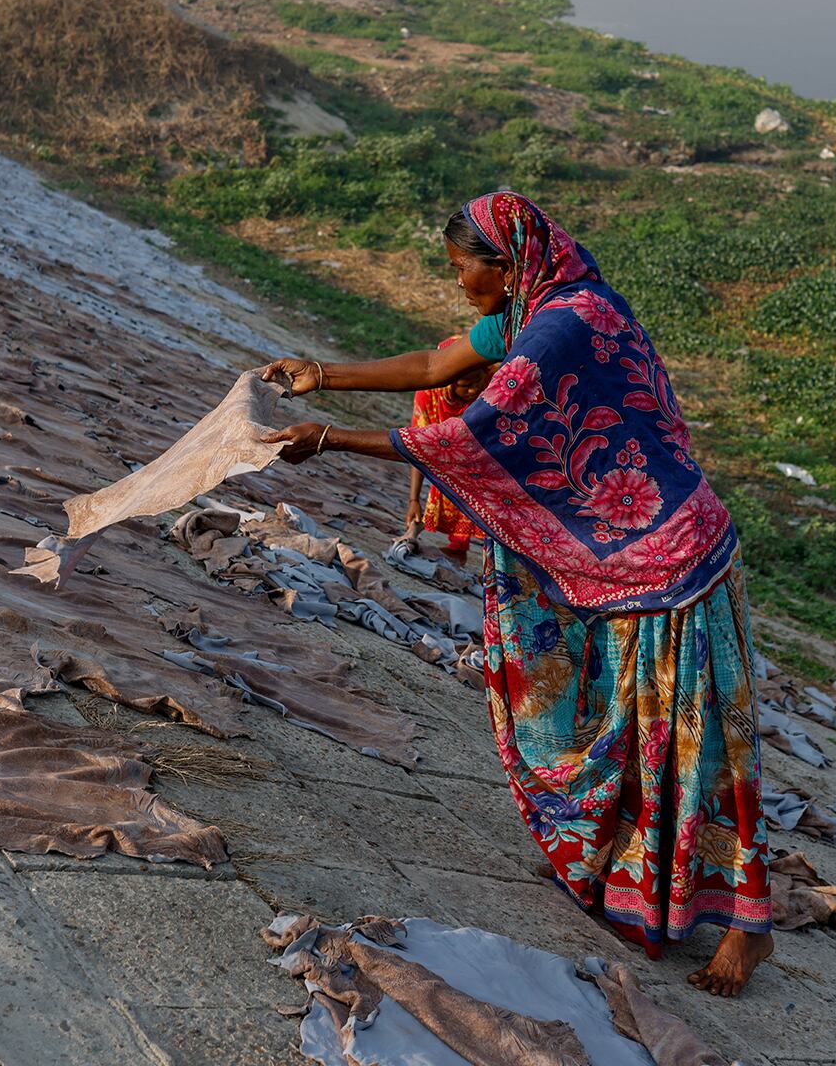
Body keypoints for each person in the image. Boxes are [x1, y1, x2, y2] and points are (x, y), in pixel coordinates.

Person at [259, 191, 773, 996]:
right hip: (615, 552)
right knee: (628, 722)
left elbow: (472, 435)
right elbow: (435, 368)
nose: (458, 282)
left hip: (675, 557)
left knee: (703, 739)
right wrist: (321, 375)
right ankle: (628, 866)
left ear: (505, 264)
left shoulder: (564, 325)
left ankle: (748, 926)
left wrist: (329, 438)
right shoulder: (536, 308)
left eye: (461, 268)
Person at [400, 336, 494, 561]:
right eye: (466, 385)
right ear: (449, 380)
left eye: (478, 382)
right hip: (454, 457)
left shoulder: (493, 383)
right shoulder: (428, 396)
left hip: (489, 452)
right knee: (451, 468)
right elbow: (418, 445)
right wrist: (414, 500)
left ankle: (477, 554)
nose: (474, 390)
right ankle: (458, 547)